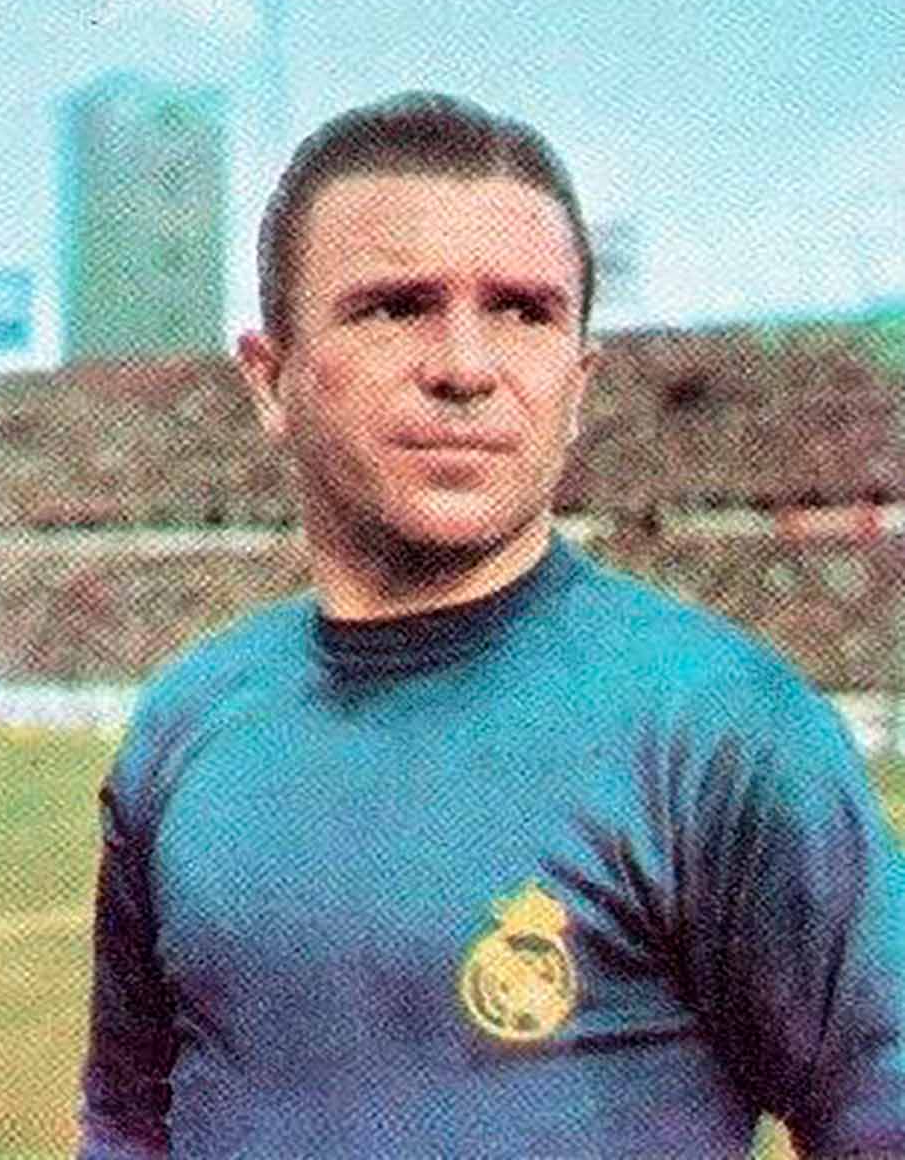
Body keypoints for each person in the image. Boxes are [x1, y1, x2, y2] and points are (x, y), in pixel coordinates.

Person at [77, 92, 905, 1159]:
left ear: (578, 384)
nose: (466, 368)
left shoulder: (721, 733)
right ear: (271, 379)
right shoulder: (185, 723)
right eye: (395, 308)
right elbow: (127, 1121)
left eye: (524, 312)